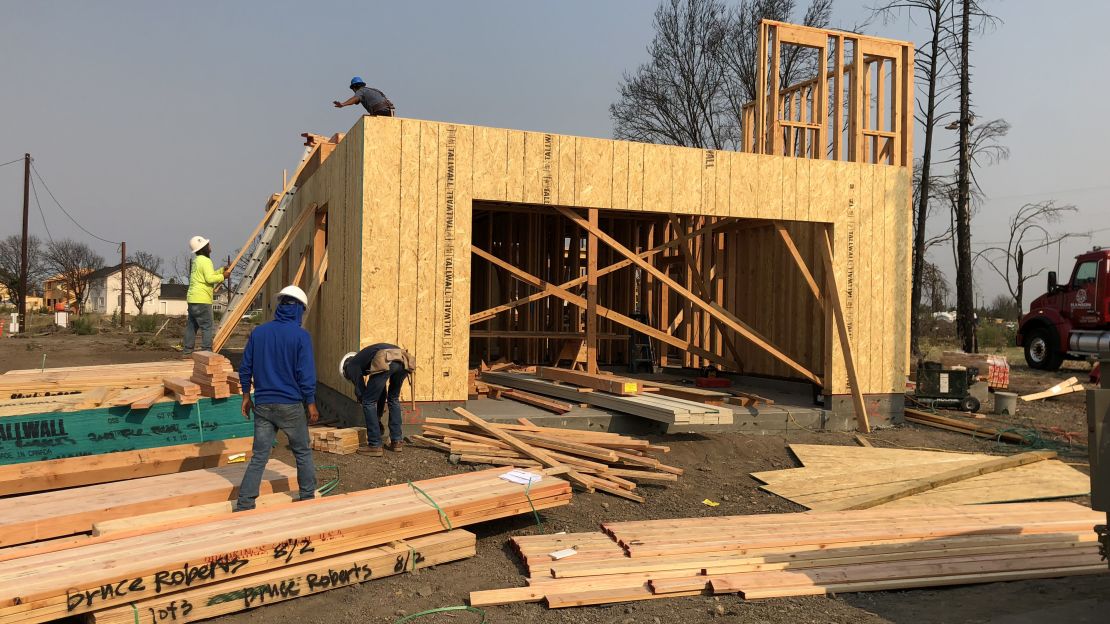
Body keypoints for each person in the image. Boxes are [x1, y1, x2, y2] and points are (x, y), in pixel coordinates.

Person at [235, 285, 319, 511]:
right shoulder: (301, 336)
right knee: (302, 451)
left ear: (280, 306)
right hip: (290, 405)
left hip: (262, 405)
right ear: (299, 310)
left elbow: (245, 368)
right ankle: (307, 498)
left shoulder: (259, 333)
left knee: (259, 456)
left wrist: (245, 395)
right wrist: (310, 402)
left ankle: (244, 504)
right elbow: (305, 373)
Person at [340, 344, 416, 456]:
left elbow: (361, 392)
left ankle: (374, 444)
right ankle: (396, 441)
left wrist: (363, 401)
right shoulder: (366, 359)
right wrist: (378, 418)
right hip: (403, 360)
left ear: (344, 371)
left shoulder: (351, 366)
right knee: (393, 398)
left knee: (367, 401)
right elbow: (381, 393)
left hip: (386, 359)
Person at [183, 235, 230, 355]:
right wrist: (223, 276)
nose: (210, 246)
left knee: (192, 326)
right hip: (203, 300)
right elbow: (209, 279)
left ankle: (187, 352)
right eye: (208, 245)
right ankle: (206, 353)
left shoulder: (197, 261)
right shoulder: (206, 261)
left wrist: (220, 271)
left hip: (193, 298)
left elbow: (207, 275)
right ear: (204, 247)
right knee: (207, 326)